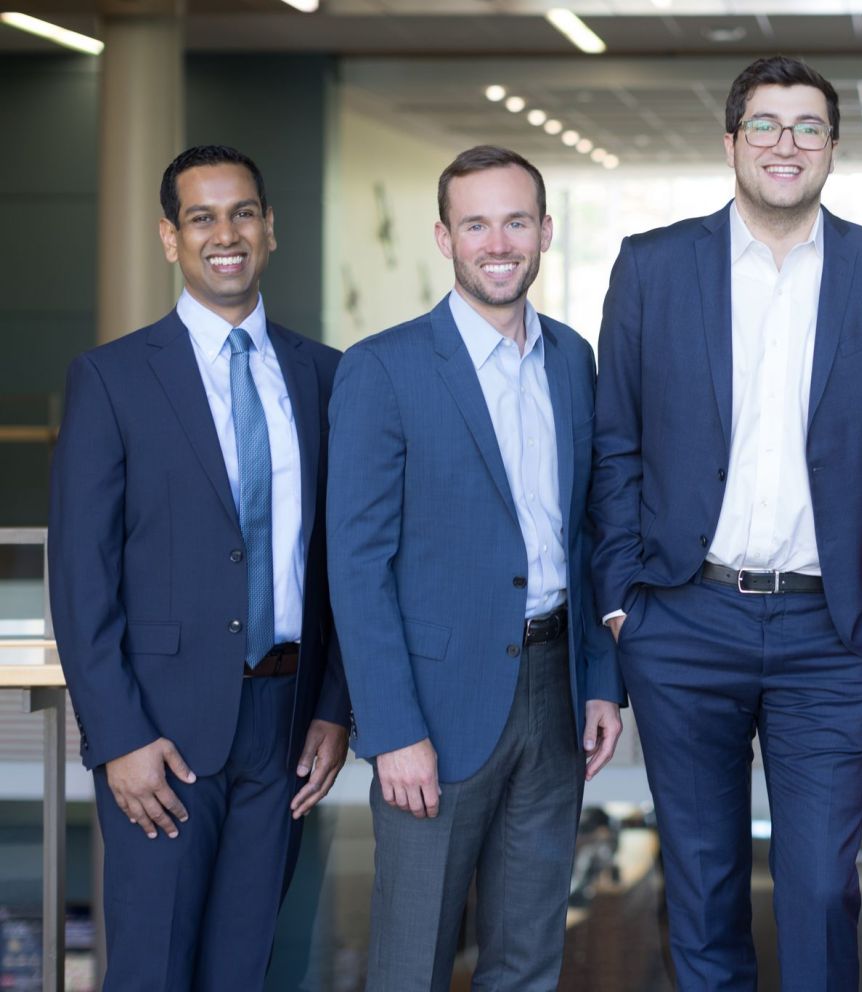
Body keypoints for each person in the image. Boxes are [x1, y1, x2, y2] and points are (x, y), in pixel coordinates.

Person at [591, 55, 862, 990]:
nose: (786, 145)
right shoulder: (652, 265)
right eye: (766, 126)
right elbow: (613, 441)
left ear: (831, 147)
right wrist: (625, 602)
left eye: (808, 128)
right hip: (683, 616)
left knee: (822, 889)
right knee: (701, 883)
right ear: (731, 140)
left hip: (833, 631)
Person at [48, 145, 350, 991]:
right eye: (202, 217)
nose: (227, 233)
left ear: (270, 229)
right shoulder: (111, 379)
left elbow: (338, 562)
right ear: (168, 237)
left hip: (285, 727)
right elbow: (81, 577)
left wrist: (334, 708)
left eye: (243, 212)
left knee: (241, 970)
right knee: (151, 971)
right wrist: (117, 738)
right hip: (160, 736)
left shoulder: (326, 376)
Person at [327, 145, 623, 992]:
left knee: (528, 954)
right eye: (476, 224)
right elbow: (356, 563)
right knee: (412, 956)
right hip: (434, 709)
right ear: (444, 237)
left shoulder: (572, 359)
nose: (499, 242)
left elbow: (588, 533)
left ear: (545, 232)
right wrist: (389, 729)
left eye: (516, 221)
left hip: (555, 691)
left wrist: (599, 680)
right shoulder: (383, 368)